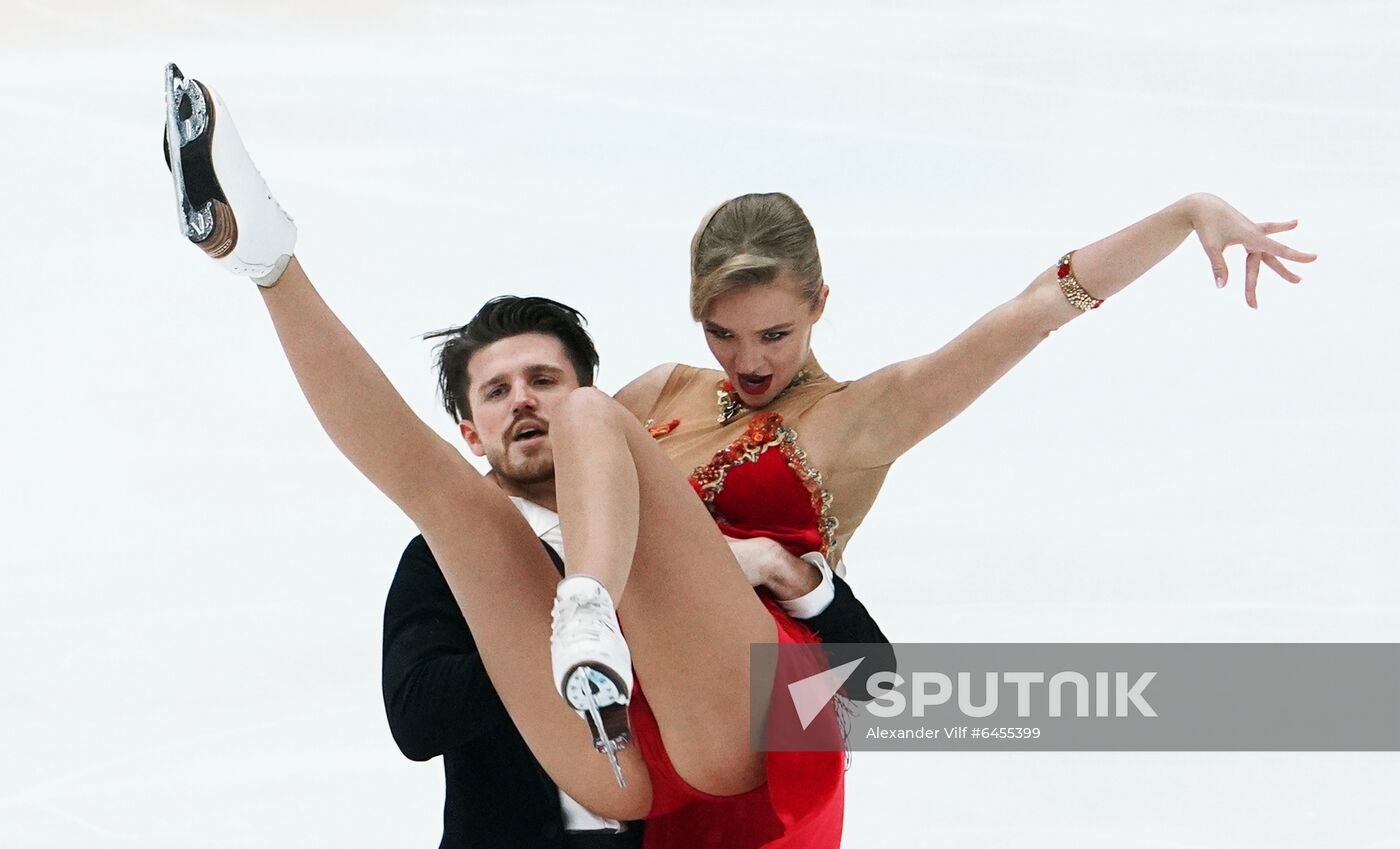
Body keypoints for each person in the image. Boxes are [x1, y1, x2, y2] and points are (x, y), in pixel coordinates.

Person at [162, 65, 1315, 848]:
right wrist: (496, 516)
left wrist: (1183, 213)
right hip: (635, 761)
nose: (749, 360)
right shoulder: (665, 392)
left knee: (583, 417)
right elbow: (509, 488)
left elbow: (1033, 307)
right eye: (724, 333)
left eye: (774, 333)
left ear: (818, 306)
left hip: (756, 718)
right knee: (444, 494)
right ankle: (264, 257)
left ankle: (584, 611)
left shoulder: (865, 416)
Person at [381, 296, 893, 849]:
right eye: (497, 391)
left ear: (591, 406)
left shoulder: (677, 530)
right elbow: (417, 722)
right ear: (473, 435)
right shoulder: (441, 560)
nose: (522, 400)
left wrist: (781, 568)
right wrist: (572, 638)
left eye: (543, 380)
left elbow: (873, 680)